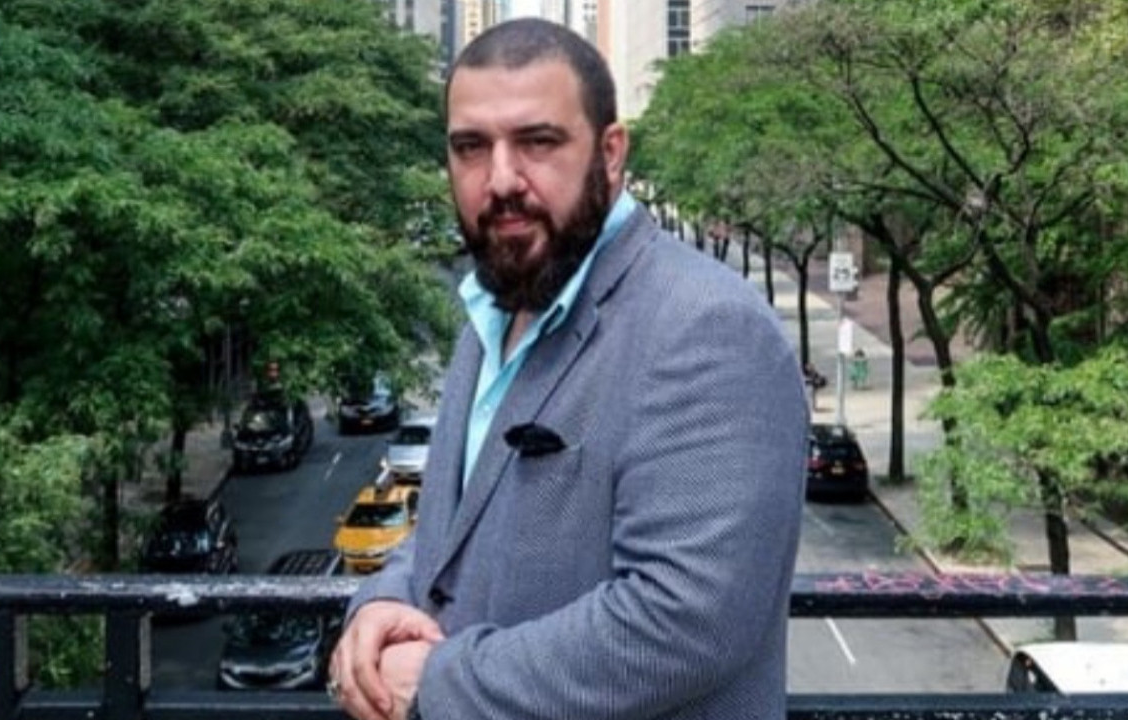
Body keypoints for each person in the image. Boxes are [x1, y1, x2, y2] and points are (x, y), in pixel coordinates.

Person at [328, 18, 807, 720]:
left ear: (611, 154)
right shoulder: (496, 305)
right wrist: (382, 603)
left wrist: (438, 682)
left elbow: (684, 623)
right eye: (470, 147)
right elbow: (454, 537)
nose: (501, 179)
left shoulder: (708, 326)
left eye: (538, 142)